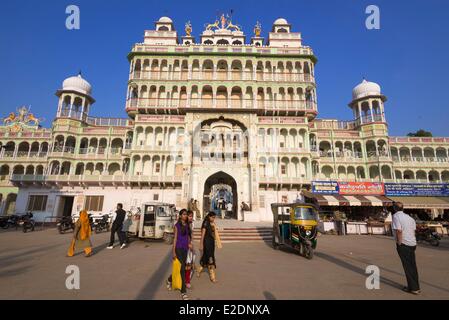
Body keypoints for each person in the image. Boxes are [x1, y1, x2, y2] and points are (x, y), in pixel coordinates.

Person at [392, 202, 420, 295]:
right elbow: (413, 231)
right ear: (402, 208)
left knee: (407, 267)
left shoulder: (396, 216)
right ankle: (415, 286)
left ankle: (413, 288)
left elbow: (399, 230)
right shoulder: (410, 218)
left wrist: (399, 243)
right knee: (412, 265)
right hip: (412, 243)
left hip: (404, 244)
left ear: (395, 208)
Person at [166, 209, 192, 300]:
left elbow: (188, 236)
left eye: (186, 214)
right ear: (180, 216)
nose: (185, 216)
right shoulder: (176, 226)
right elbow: (175, 238)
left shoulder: (187, 225)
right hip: (178, 249)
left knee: (181, 268)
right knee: (182, 270)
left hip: (185, 249)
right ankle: (183, 292)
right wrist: (173, 251)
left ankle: (169, 280)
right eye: (184, 214)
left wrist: (189, 244)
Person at [198, 211, 218, 283]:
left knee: (205, 258)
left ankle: (199, 270)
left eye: (214, 218)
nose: (213, 219)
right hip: (207, 243)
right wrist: (201, 243)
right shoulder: (206, 223)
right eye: (212, 217)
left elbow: (213, 233)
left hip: (211, 243)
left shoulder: (211, 223)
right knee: (210, 259)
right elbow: (203, 234)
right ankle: (213, 277)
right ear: (209, 216)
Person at [185, 210, 196, 289]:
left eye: (192, 216)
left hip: (190, 246)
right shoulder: (183, 225)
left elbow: (192, 235)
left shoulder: (192, 224)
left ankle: (187, 281)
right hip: (183, 246)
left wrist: (192, 245)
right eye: (189, 216)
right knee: (182, 266)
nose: (191, 218)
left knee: (189, 264)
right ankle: (171, 280)